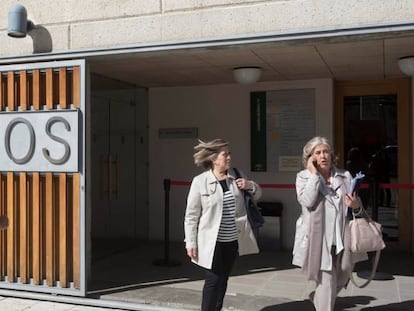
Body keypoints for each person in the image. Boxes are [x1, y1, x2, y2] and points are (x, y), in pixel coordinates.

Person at [184, 138, 262, 311]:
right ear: (213, 158)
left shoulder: (237, 175)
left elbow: (258, 194)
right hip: (212, 242)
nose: (229, 158)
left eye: (229, 154)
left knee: (223, 278)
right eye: (225, 154)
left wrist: (250, 186)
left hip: (233, 240)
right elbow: (191, 215)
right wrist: (190, 242)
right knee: (213, 280)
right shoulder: (200, 181)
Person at [292, 136, 367, 311]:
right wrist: (314, 175)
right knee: (326, 282)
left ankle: (316, 296)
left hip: (342, 237)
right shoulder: (303, 177)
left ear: (332, 155)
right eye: (318, 153)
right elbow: (307, 201)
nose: (323, 155)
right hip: (319, 240)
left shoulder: (344, 176)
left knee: (341, 279)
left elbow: (357, 205)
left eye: (326, 151)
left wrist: (355, 205)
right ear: (310, 158)